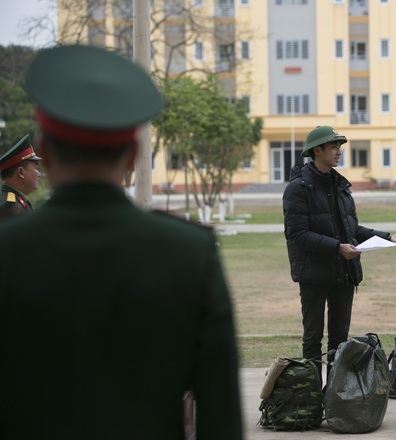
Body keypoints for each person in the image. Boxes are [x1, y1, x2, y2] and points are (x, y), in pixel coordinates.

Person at [0, 45, 242, 440]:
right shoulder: (189, 254)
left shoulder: (8, 251)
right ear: (132, 156)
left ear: (45, 151)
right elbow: (221, 418)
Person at [283, 125, 396, 381]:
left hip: (344, 273)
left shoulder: (340, 185)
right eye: (333, 146)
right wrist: (337, 247)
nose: (338, 152)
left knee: (340, 340)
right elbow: (297, 234)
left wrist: (388, 237)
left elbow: (351, 228)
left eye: (339, 147)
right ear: (317, 150)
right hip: (314, 275)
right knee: (312, 339)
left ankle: (336, 398)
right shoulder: (298, 188)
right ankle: (311, 400)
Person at [0, 134, 42, 216]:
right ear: (21, 172)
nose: (39, 174)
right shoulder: (9, 206)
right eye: (35, 168)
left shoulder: (18, 201)